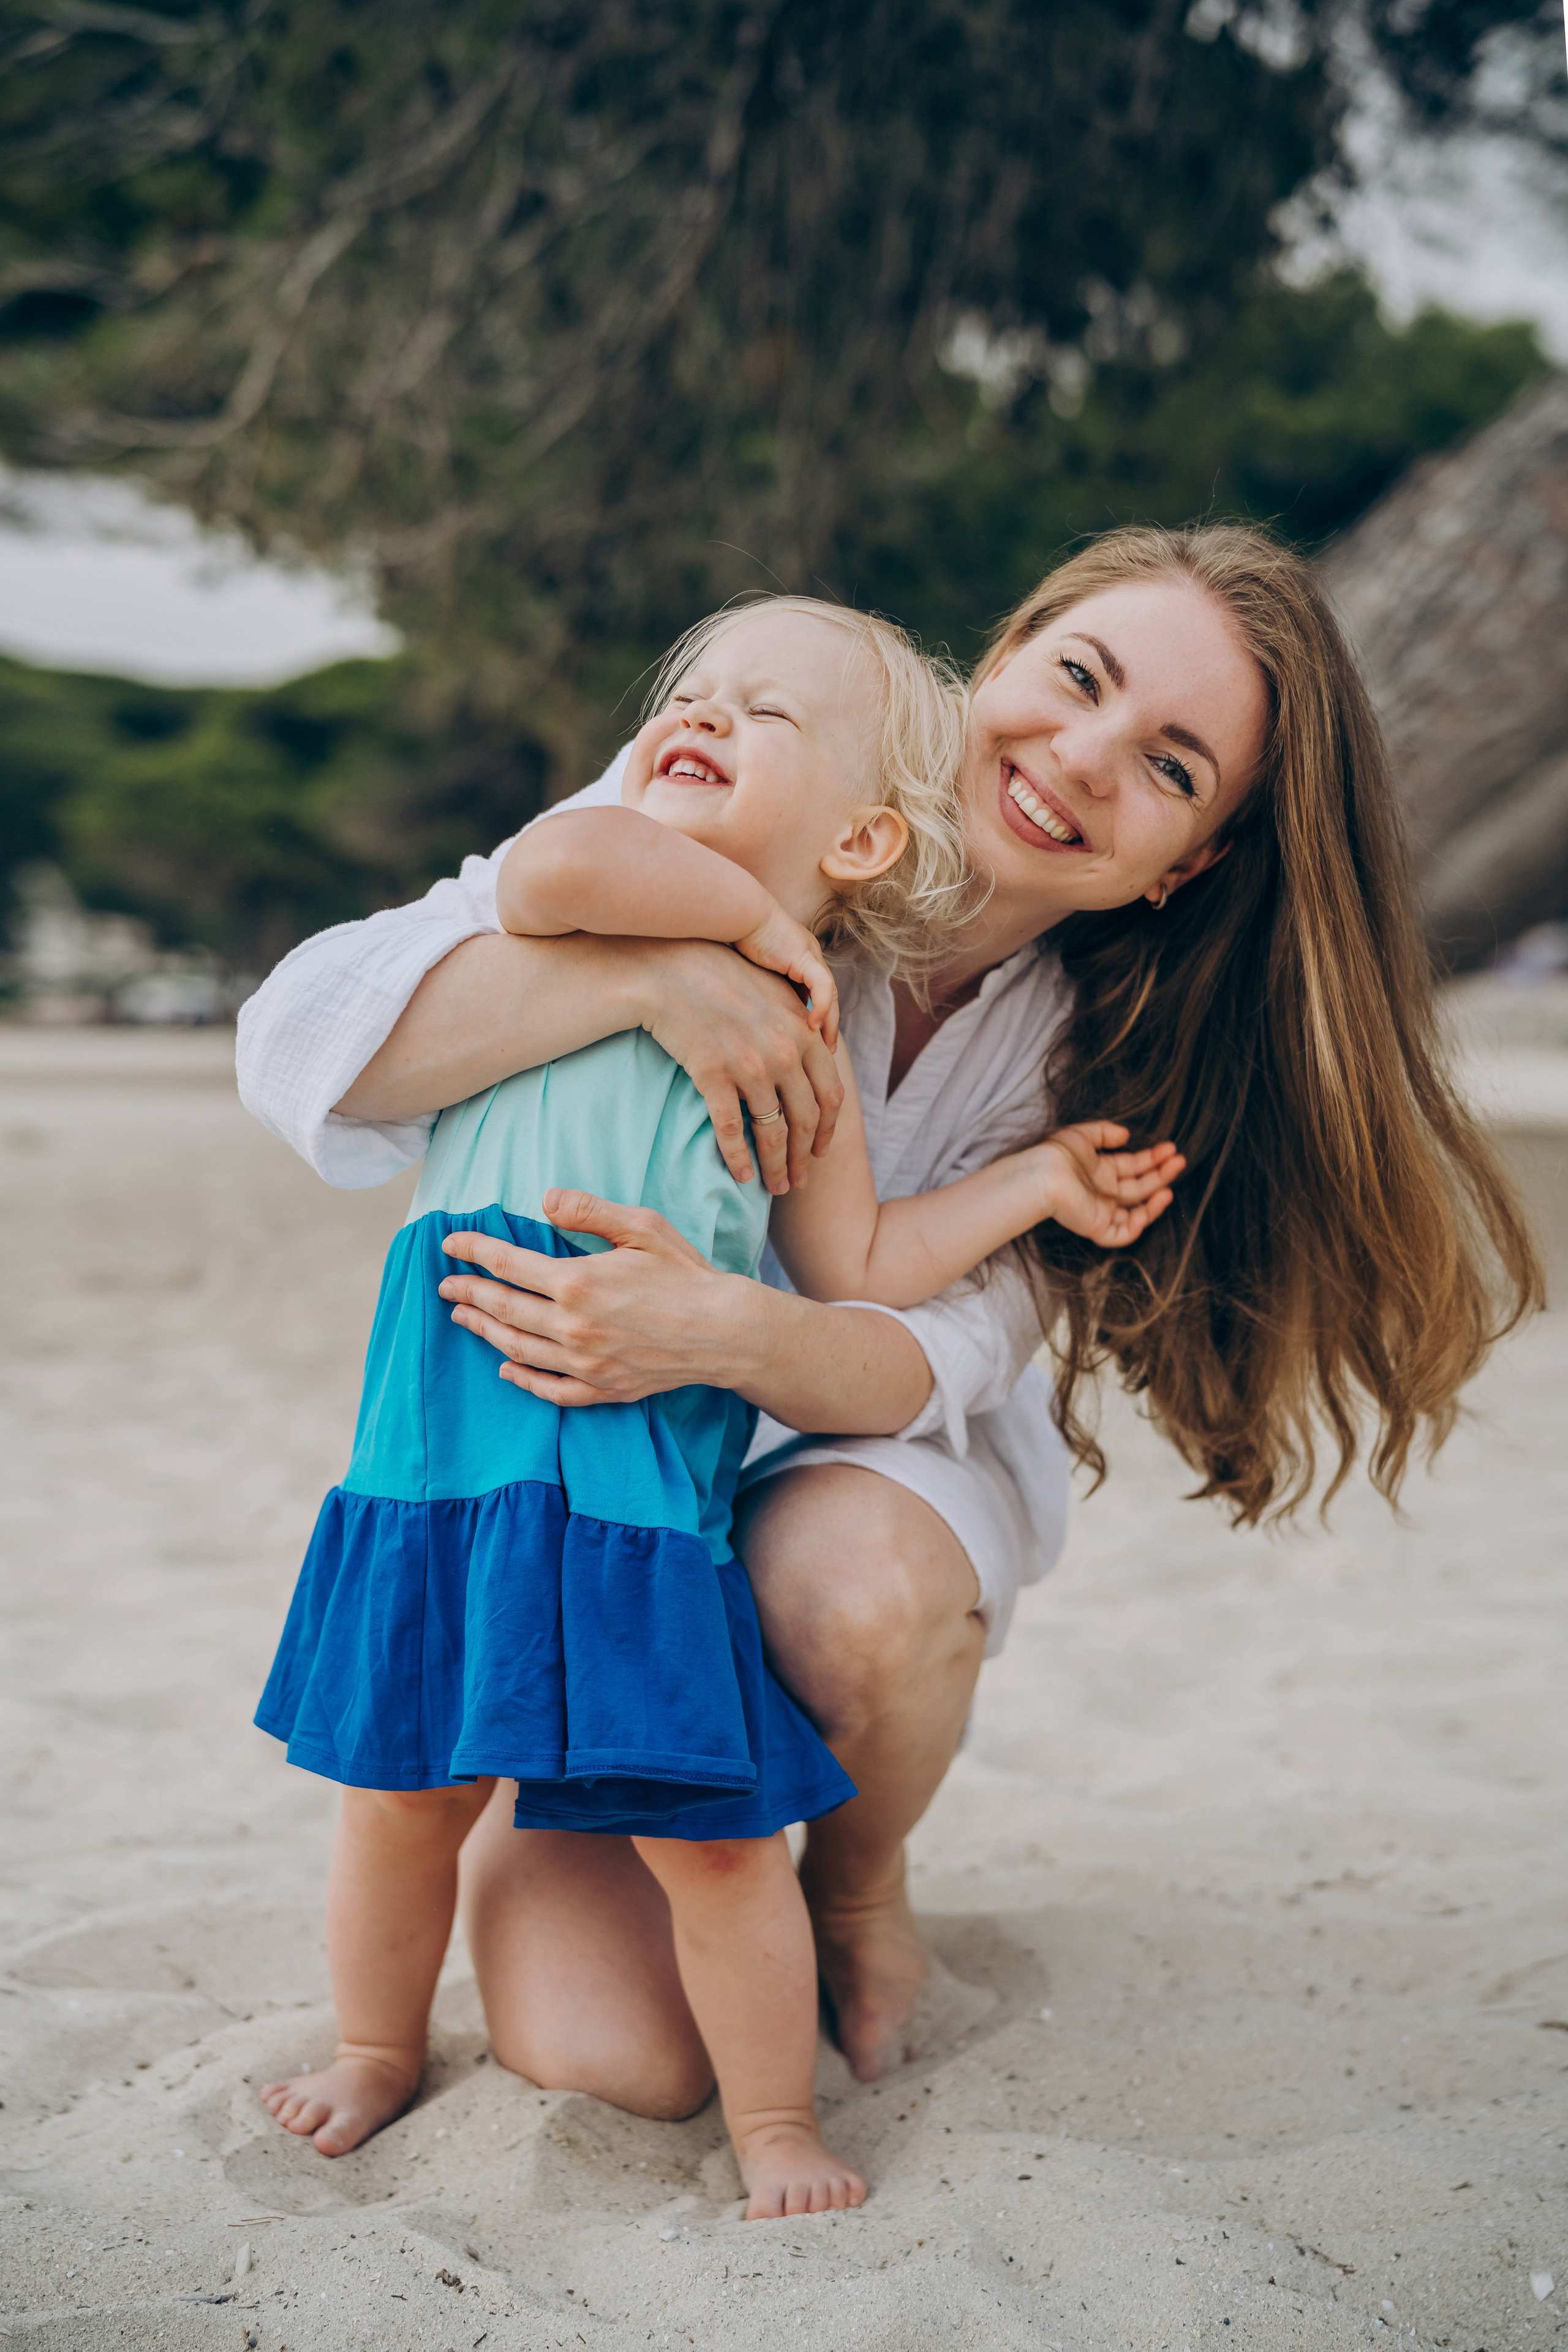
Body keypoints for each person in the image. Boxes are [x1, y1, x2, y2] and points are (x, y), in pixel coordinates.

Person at [238, 522, 1539, 2120]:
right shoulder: (738, 802)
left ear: (1185, 861)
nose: (1078, 756)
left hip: (841, 1476)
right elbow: (303, 1035)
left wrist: (707, 1327)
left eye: (1170, 765)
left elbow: (906, 1345)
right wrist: (657, 979)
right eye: (1076, 678)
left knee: (848, 1587)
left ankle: (853, 1877)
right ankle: (561, 1780)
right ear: (997, 658)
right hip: (581, 1480)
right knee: (625, 2065)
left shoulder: (1116, 1061)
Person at [251, 597, 1182, 2212]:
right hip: (445, 1459)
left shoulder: (817, 1032)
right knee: (393, 1802)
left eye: (766, 718)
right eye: (692, 692)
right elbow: (546, 873)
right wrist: (709, 949)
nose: (699, 716)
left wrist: (1033, 1178)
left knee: (719, 1844)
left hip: (637, 1497)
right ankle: (379, 2050)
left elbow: (870, 1266)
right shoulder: (591, 888)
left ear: (868, 836)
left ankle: (775, 2129)